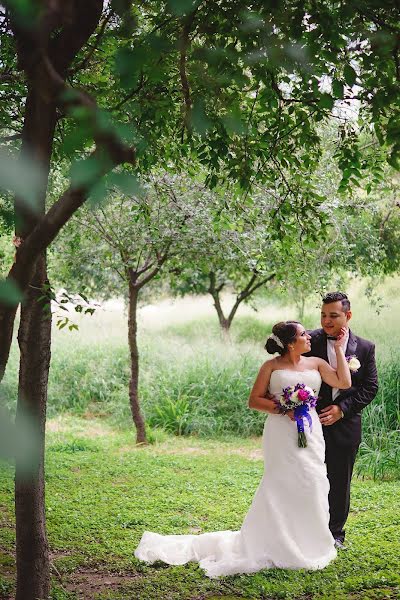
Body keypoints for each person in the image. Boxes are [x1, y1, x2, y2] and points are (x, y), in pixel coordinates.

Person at [134, 321, 351, 578]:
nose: (309, 337)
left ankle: (310, 541)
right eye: (303, 334)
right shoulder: (270, 367)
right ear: (291, 342)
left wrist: (338, 349)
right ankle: (277, 541)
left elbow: (343, 381)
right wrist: (285, 408)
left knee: (313, 479)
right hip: (281, 431)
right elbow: (254, 400)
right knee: (281, 481)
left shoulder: (316, 363)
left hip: (311, 430)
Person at [307, 292, 378, 549]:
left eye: (333, 316)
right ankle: (306, 528)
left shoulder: (365, 348)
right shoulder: (308, 340)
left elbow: (370, 388)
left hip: (346, 425)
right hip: (309, 422)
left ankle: (334, 533)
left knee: (339, 480)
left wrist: (342, 409)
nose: (327, 321)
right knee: (308, 475)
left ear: (347, 316)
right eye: (323, 315)